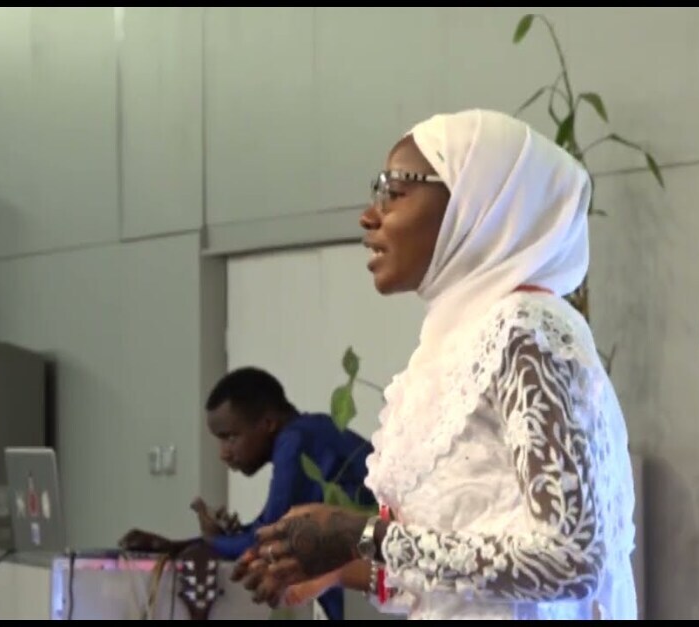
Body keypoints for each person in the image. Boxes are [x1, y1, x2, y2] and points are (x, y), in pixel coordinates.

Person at [233, 109, 639, 620]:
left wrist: (360, 535)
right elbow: (457, 576)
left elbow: (572, 560)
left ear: (477, 202)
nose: (369, 216)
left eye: (394, 191)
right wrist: (340, 566)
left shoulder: (524, 330)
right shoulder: (454, 341)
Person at [119, 366, 375, 621]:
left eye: (230, 437)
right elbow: (270, 528)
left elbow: (270, 537)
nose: (223, 453)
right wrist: (223, 538)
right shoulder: (310, 431)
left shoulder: (295, 440)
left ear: (268, 423)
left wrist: (185, 546)